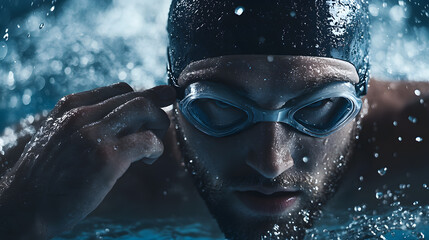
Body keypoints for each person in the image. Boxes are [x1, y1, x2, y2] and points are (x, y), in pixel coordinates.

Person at [0, 0, 428, 239]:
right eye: (219, 108)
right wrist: (22, 217)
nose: (270, 162)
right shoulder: (74, 177)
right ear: (173, 99)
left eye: (320, 109)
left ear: (363, 99)